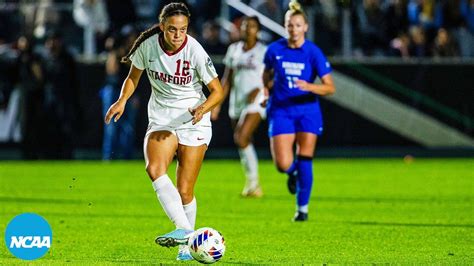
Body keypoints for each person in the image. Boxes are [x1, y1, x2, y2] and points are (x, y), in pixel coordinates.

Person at [104, 2, 224, 261]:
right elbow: (133, 77)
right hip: (162, 120)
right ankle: (185, 231)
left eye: (182, 29)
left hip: (194, 120)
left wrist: (204, 107)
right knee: (154, 168)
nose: (178, 35)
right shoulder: (148, 46)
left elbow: (218, 91)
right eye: (172, 30)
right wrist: (122, 100)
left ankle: (186, 247)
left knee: (185, 191)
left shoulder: (195, 50)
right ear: (162, 27)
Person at [262, 0, 336, 222]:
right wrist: (266, 93)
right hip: (281, 110)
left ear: (305, 27)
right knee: (282, 164)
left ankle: (302, 209)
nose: (293, 29)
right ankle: (292, 173)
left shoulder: (313, 52)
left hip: (307, 111)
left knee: (305, 156)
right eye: (290, 25)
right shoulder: (274, 50)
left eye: (297, 25)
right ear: (285, 26)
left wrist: (310, 86)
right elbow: (266, 75)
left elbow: (330, 87)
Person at [212, 16, 267, 197]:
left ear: (257, 30)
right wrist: (217, 104)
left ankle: (253, 182)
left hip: (256, 100)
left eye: (251, 26)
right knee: (243, 141)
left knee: (241, 137)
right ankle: (253, 184)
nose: (247, 29)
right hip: (237, 100)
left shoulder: (264, 51)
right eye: (244, 26)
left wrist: (260, 89)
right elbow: (227, 79)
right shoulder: (233, 49)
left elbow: (272, 76)